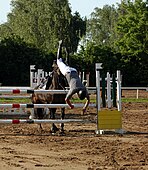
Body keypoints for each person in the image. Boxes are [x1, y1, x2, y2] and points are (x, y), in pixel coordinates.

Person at [56, 40, 90, 114]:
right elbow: (66, 99)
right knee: (58, 61)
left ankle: (67, 53)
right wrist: (70, 105)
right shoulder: (74, 89)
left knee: (67, 64)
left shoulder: (84, 89)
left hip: (74, 71)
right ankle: (59, 45)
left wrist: (84, 108)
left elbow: (88, 99)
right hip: (67, 72)